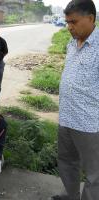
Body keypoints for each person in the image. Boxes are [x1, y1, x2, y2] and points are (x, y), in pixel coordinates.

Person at [51, 0, 99, 200]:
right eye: (67, 21)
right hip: (66, 118)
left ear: (90, 18)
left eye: (74, 22)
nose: (69, 26)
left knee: (94, 174)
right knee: (67, 161)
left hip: (89, 124)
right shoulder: (72, 42)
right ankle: (70, 195)